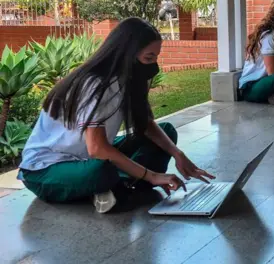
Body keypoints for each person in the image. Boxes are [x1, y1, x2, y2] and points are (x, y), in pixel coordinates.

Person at [18, 18, 214, 214]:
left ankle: (119, 186)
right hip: (46, 170)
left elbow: (145, 124)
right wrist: (152, 176)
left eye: (155, 58)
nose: (154, 65)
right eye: (148, 58)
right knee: (100, 170)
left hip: (89, 159)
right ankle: (121, 184)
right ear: (126, 54)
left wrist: (178, 155)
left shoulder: (126, 80)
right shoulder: (95, 84)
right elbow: (97, 148)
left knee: (166, 132)